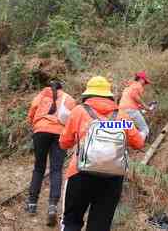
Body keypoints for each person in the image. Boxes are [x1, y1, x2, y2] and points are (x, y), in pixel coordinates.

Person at [59, 76, 145, 231]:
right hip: (112, 179)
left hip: (80, 174)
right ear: (109, 95)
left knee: (71, 221)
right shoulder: (121, 116)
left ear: (88, 94)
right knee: (100, 226)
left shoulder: (78, 111)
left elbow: (64, 142)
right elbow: (138, 143)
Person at [26, 80, 76, 226]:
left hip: (40, 131)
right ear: (62, 87)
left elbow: (32, 112)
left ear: (49, 87)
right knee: (56, 169)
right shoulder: (69, 98)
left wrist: (35, 126)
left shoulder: (42, 95)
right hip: (59, 133)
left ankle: (32, 204)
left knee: (39, 167)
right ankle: (53, 206)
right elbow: (72, 120)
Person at [118, 71, 153, 139]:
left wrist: (142, 107)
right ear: (141, 79)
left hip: (121, 111)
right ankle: (139, 143)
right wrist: (145, 106)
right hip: (131, 110)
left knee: (124, 131)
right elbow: (134, 95)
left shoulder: (129, 86)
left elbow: (130, 100)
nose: (144, 84)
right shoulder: (138, 85)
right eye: (145, 82)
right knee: (145, 129)